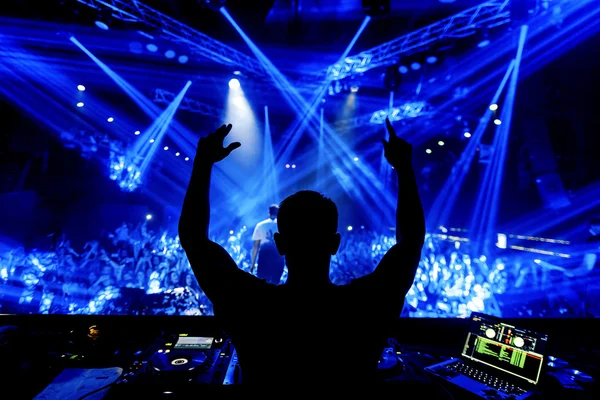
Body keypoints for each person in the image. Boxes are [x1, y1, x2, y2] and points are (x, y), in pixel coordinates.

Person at [179, 119, 425, 389]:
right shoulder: (367, 304)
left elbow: (193, 238)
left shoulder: (250, 303)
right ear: (335, 244)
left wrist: (203, 163)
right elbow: (411, 241)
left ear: (280, 244)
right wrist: (405, 169)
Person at [250, 205, 285, 284]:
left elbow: (256, 246)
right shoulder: (283, 224)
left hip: (264, 256)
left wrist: (252, 263)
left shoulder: (260, 225)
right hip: (278, 256)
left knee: (263, 283)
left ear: (269, 213)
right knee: (275, 282)